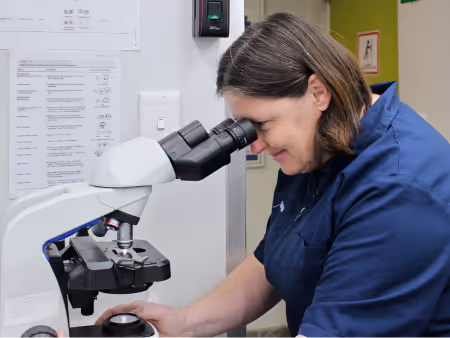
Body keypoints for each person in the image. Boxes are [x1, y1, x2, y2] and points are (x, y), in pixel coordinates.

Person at [94, 13, 450, 338]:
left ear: (318, 92)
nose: (255, 146)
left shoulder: (401, 191)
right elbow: (272, 263)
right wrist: (185, 322)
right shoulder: (316, 147)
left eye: (262, 126)